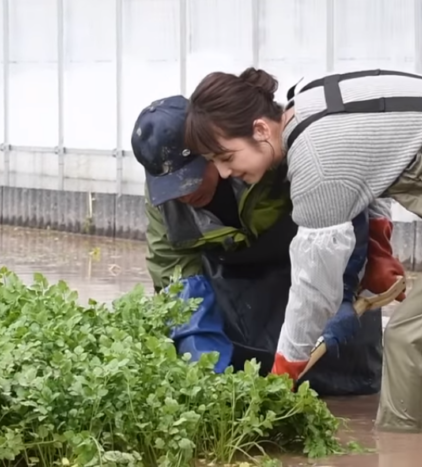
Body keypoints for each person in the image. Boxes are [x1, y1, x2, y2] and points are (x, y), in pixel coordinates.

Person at [181, 68, 422, 433]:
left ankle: (404, 445)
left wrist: (285, 369)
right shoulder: (309, 104)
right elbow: (375, 164)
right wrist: (380, 245)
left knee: (410, 341)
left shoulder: (314, 159)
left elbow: (314, 291)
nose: (226, 173)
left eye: (226, 157)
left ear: (261, 129)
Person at [130, 94, 406, 395]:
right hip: (247, 300)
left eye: (190, 178)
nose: (183, 195)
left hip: (322, 273)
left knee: (349, 401)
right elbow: (177, 275)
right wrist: (207, 375)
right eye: (172, 186)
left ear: (209, 149)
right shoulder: (163, 196)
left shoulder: (269, 149)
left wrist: (365, 266)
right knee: (253, 387)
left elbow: (349, 196)